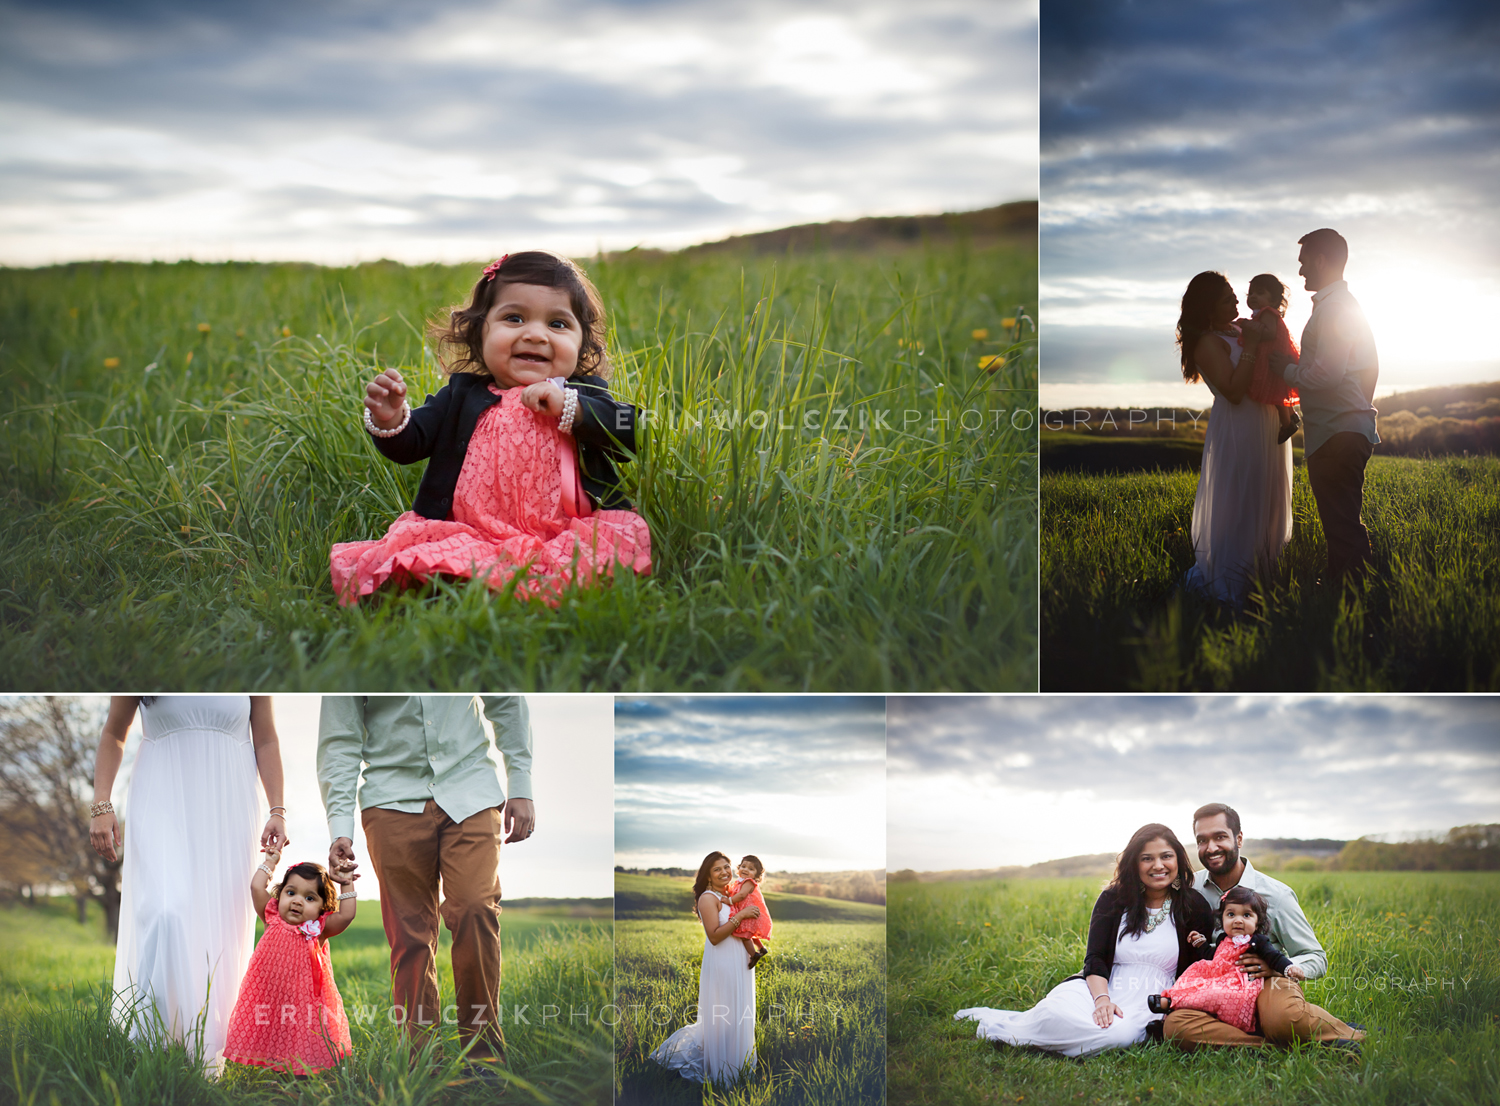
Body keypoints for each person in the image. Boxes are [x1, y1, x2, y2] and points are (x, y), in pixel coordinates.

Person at [331, 250, 651, 607]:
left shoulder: (583, 396)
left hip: (562, 534)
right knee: (439, 563)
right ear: (479, 333)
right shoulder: (461, 396)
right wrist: (390, 419)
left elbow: (637, 429)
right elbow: (411, 443)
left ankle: (519, 589)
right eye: (514, 318)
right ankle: (474, 584)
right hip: (473, 532)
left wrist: (573, 409)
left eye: (558, 324)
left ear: (582, 343)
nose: (535, 334)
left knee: (591, 564)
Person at [317, 696, 534, 1084]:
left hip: (471, 790)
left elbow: (506, 698)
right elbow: (340, 739)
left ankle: (484, 1061)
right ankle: (421, 1067)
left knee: (475, 908)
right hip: (390, 800)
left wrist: (521, 782)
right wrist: (340, 829)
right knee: (411, 936)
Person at [89, 696, 288, 1074]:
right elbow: (115, 732)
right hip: (161, 792)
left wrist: (278, 809)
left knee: (217, 930)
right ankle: (151, 1051)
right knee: (167, 911)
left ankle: (202, 1055)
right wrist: (102, 802)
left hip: (230, 801)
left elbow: (266, 738)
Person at [955, 824, 1213, 1058]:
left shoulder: (1193, 906)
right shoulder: (1114, 899)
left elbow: (1198, 969)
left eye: (1166, 856)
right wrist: (1102, 1000)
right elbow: (1095, 958)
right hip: (1098, 988)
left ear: (1178, 859)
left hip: (1147, 1001)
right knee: (1055, 1011)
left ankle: (1055, 1037)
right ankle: (1033, 1028)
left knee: (1118, 1035)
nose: (1158, 865)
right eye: (1147, 858)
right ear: (1135, 864)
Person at [1164, 803, 1365, 1052]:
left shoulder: (1277, 895)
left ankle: (1352, 1034)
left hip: (1266, 982)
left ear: (1238, 839)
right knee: (1175, 1027)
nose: (1211, 847)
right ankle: (1270, 1047)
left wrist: (1276, 966)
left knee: (1282, 1019)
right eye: (1202, 840)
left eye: (1220, 837)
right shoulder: (1190, 889)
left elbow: (1316, 957)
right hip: (1214, 986)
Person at [1249, 229, 1380, 586]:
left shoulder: (1336, 308)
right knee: (1342, 520)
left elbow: (1329, 373)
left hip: (1338, 433)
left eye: (1305, 260)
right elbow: (1369, 368)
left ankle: (1351, 600)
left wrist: (1286, 370)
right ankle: (1348, 589)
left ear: (1321, 260)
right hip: (1343, 428)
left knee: (1340, 523)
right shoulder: (1340, 305)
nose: (1301, 268)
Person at [1176, 271, 1293, 605]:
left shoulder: (1242, 328)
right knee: (1240, 503)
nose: (1238, 302)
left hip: (1268, 421)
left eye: (1235, 295)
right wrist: (1253, 346)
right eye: (1228, 299)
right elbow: (1234, 392)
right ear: (1209, 308)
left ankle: (1263, 573)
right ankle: (1232, 579)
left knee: (1266, 498)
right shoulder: (1207, 344)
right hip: (1240, 426)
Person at [223, 853, 356, 1074]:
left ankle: (301, 1080)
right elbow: (257, 887)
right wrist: (270, 863)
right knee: (272, 1038)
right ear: (280, 894)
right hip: (270, 998)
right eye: (291, 892)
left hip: (304, 1003)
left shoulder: (318, 929)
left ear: (323, 908)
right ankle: (276, 1077)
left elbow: (347, 915)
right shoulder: (272, 916)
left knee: (301, 1041)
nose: (297, 901)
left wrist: (346, 882)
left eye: (310, 898)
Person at [650, 852, 761, 1084]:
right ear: (708, 876)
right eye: (717, 869)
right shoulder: (707, 898)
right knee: (725, 1014)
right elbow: (714, 936)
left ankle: (739, 1066)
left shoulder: (730, 895)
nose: (724, 872)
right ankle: (723, 1069)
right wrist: (740, 915)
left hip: (740, 961)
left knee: (740, 1011)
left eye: (727, 867)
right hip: (722, 962)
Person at [1152, 886, 1300, 1035]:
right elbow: (1214, 956)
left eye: (1247, 915)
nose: (1238, 921)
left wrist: (1288, 968)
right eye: (1231, 914)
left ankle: (1171, 1005)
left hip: (1237, 984)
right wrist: (1201, 944)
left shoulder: (1258, 941)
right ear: (1222, 919)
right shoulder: (1223, 939)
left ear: (1258, 921)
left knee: (1215, 994)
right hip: (1216, 977)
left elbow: (1274, 957)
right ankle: (1169, 1008)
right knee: (1191, 979)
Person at [1240, 274, 1301, 444]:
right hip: (1272, 354)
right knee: (1277, 388)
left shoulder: (1267, 313)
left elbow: (1269, 333)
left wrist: (1247, 326)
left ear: (1274, 301)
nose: (1253, 297)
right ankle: (1292, 415)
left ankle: (1287, 423)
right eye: (1250, 293)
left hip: (1271, 357)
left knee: (1275, 391)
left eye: (1259, 293)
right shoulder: (1264, 313)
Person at [726, 855, 772, 968]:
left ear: (756, 875)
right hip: (745, 911)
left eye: (751, 869)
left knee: (745, 936)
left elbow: (741, 895)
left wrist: (729, 900)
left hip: (748, 912)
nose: (746, 870)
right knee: (750, 933)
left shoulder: (748, 882)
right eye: (744, 866)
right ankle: (761, 948)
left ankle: (754, 954)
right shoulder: (739, 882)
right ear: (739, 868)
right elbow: (734, 891)